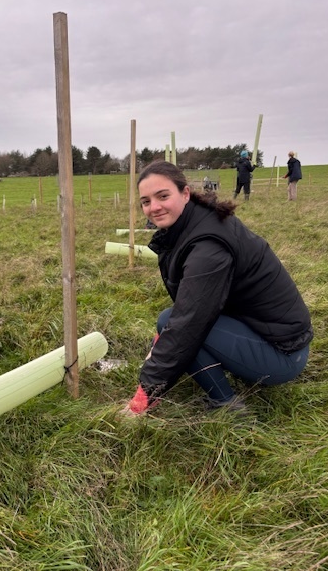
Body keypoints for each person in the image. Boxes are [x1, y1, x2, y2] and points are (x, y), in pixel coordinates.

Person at [123, 161, 313, 416]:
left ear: (185, 193)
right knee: (169, 326)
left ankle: (227, 406)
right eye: (146, 201)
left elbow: (188, 324)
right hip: (270, 335)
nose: (154, 207)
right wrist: (162, 345)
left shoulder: (208, 245)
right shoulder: (196, 222)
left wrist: (144, 395)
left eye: (163, 196)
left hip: (283, 355)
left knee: (174, 326)